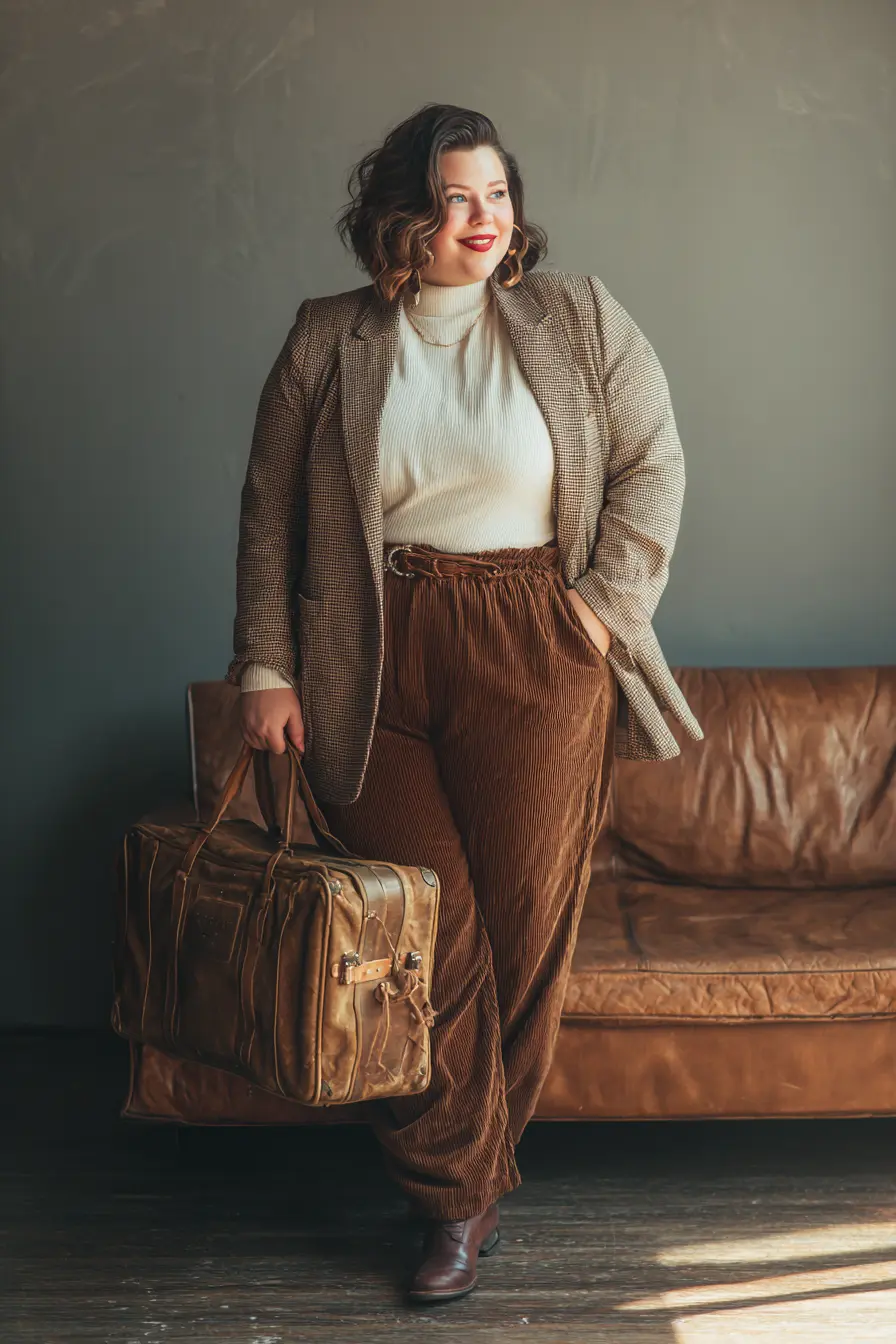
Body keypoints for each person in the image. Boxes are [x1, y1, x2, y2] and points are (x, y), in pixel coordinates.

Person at [225, 102, 704, 1305]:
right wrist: (265, 668)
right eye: (452, 197)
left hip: (535, 639)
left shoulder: (578, 317)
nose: (481, 219)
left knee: (525, 932)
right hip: (370, 652)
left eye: (493, 194)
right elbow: (268, 513)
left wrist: (595, 613)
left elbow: (656, 466)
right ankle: (460, 1192)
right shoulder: (327, 337)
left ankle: (457, 1198)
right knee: (427, 930)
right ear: (401, 214)